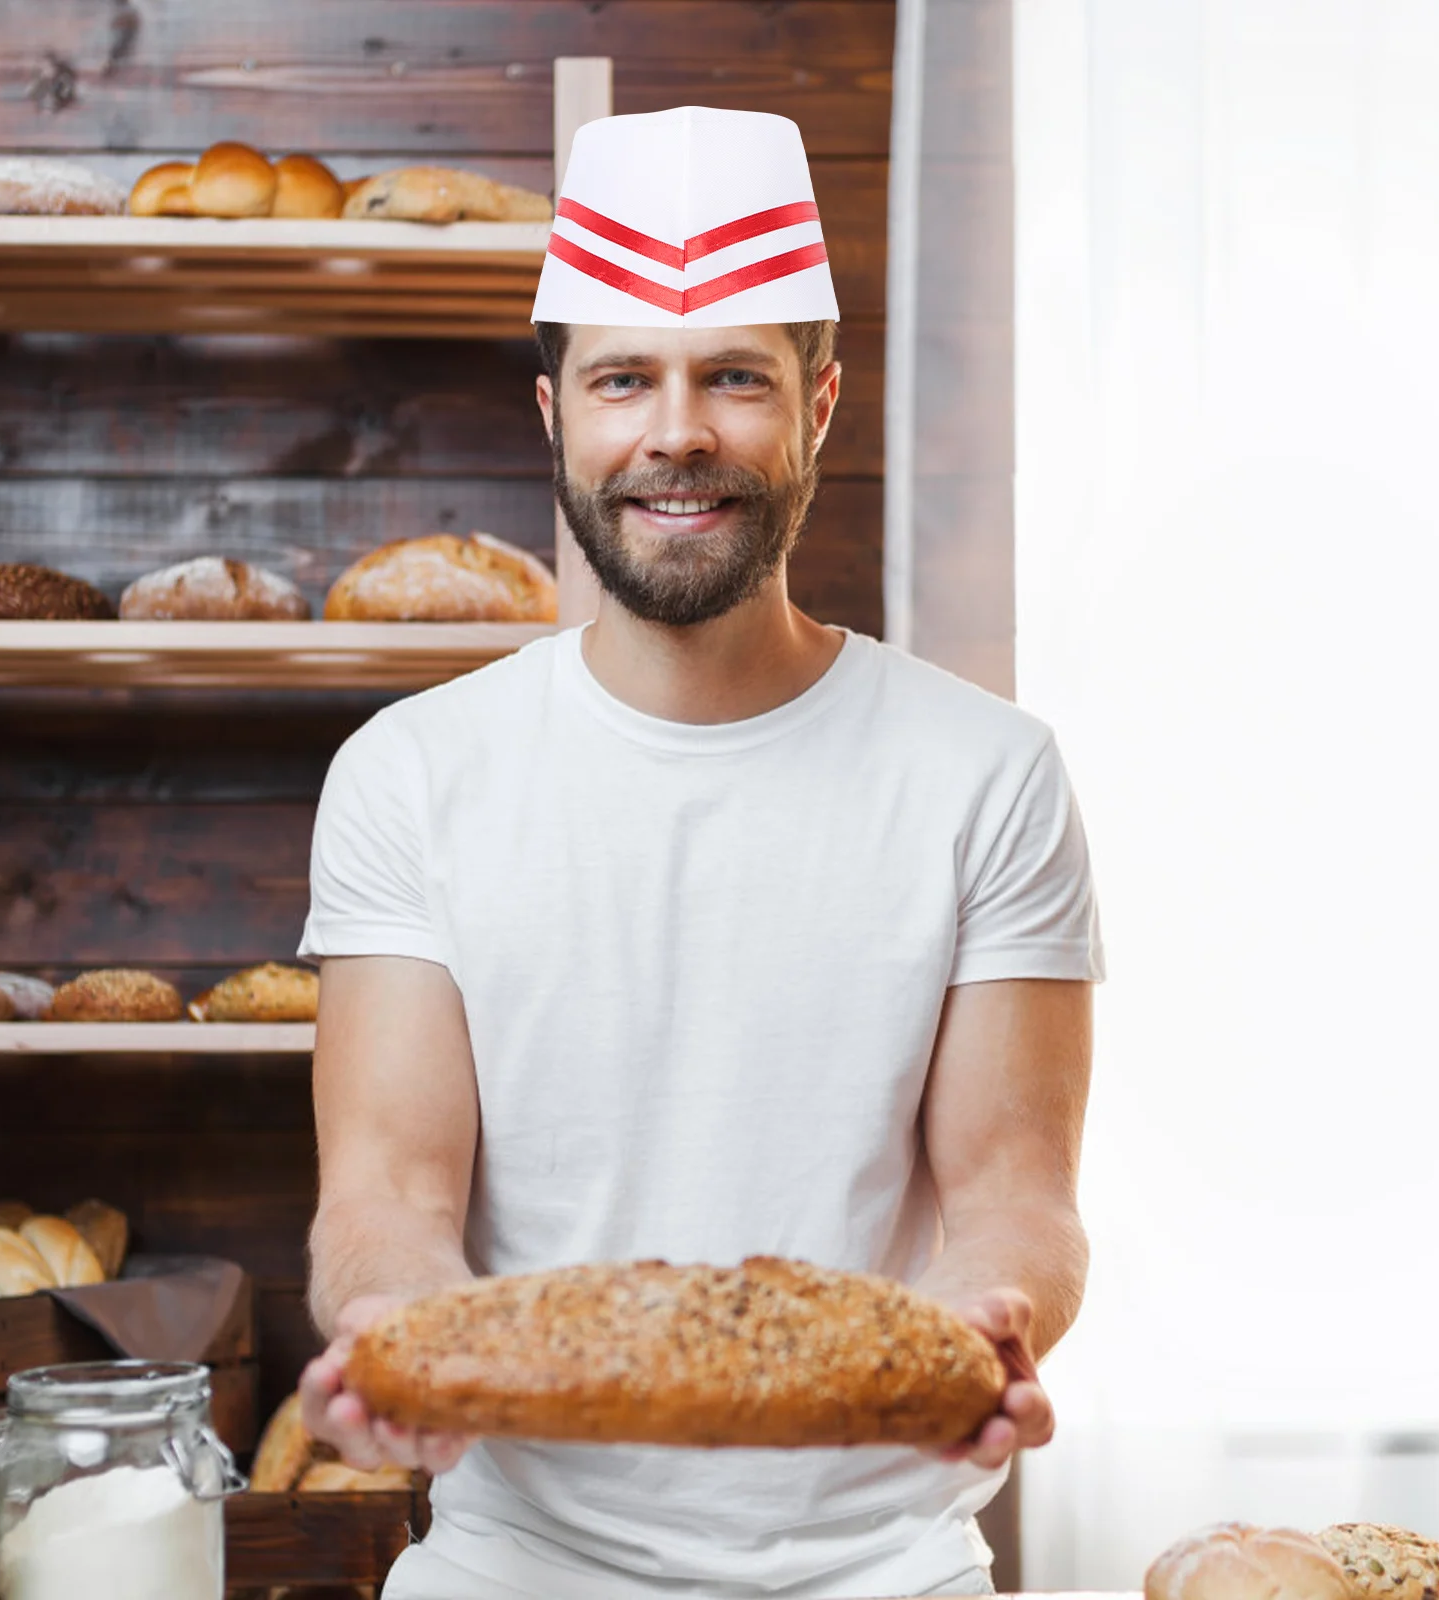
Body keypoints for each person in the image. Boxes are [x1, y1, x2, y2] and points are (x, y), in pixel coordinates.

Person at [297, 106, 1103, 1599]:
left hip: (884, 1566)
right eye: (624, 380)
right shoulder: (410, 778)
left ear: (822, 407)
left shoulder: (987, 774)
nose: (678, 432)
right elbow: (388, 1195)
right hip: (513, 1565)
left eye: (736, 375)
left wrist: (991, 1319)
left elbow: (1014, 1186)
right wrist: (397, 1335)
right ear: (555, 418)